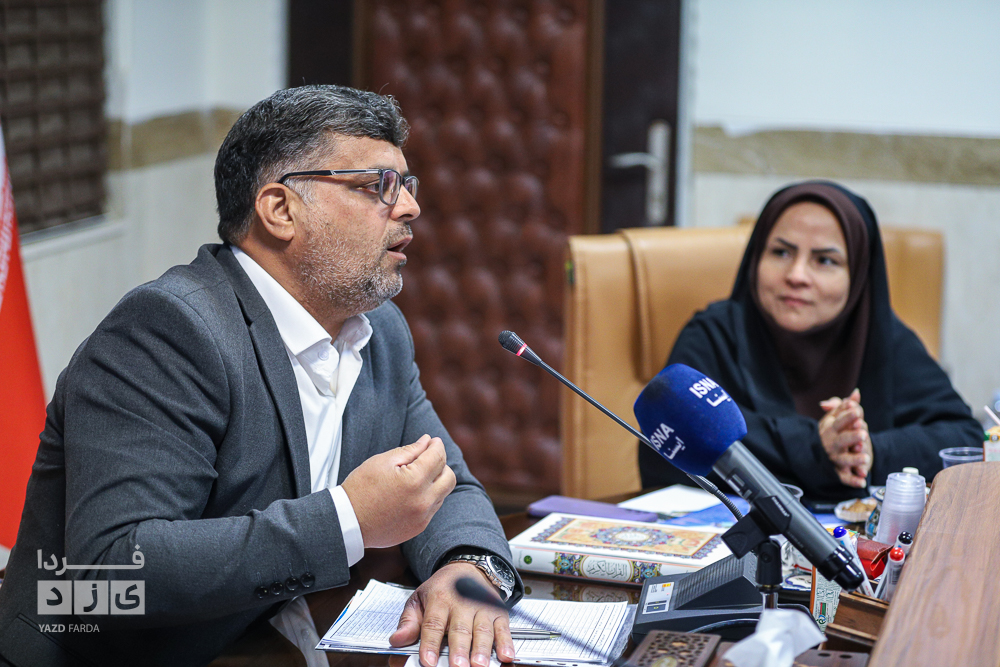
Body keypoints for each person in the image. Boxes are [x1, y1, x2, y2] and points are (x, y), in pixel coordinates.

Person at [0, 85, 521, 667]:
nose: (408, 208)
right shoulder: (168, 330)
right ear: (280, 210)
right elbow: (112, 570)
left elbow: (444, 484)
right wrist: (347, 518)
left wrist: (468, 567)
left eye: (406, 185)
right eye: (378, 185)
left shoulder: (380, 332)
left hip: (263, 644)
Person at [640, 181, 982, 501]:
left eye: (825, 260)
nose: (796, 275)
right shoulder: (713, 334)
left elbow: (963, 440)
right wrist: (815, 447)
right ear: (755, 257)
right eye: (781, 253)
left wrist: (865, 450)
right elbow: (669, 444)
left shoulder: (883, 340)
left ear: (858, 275)